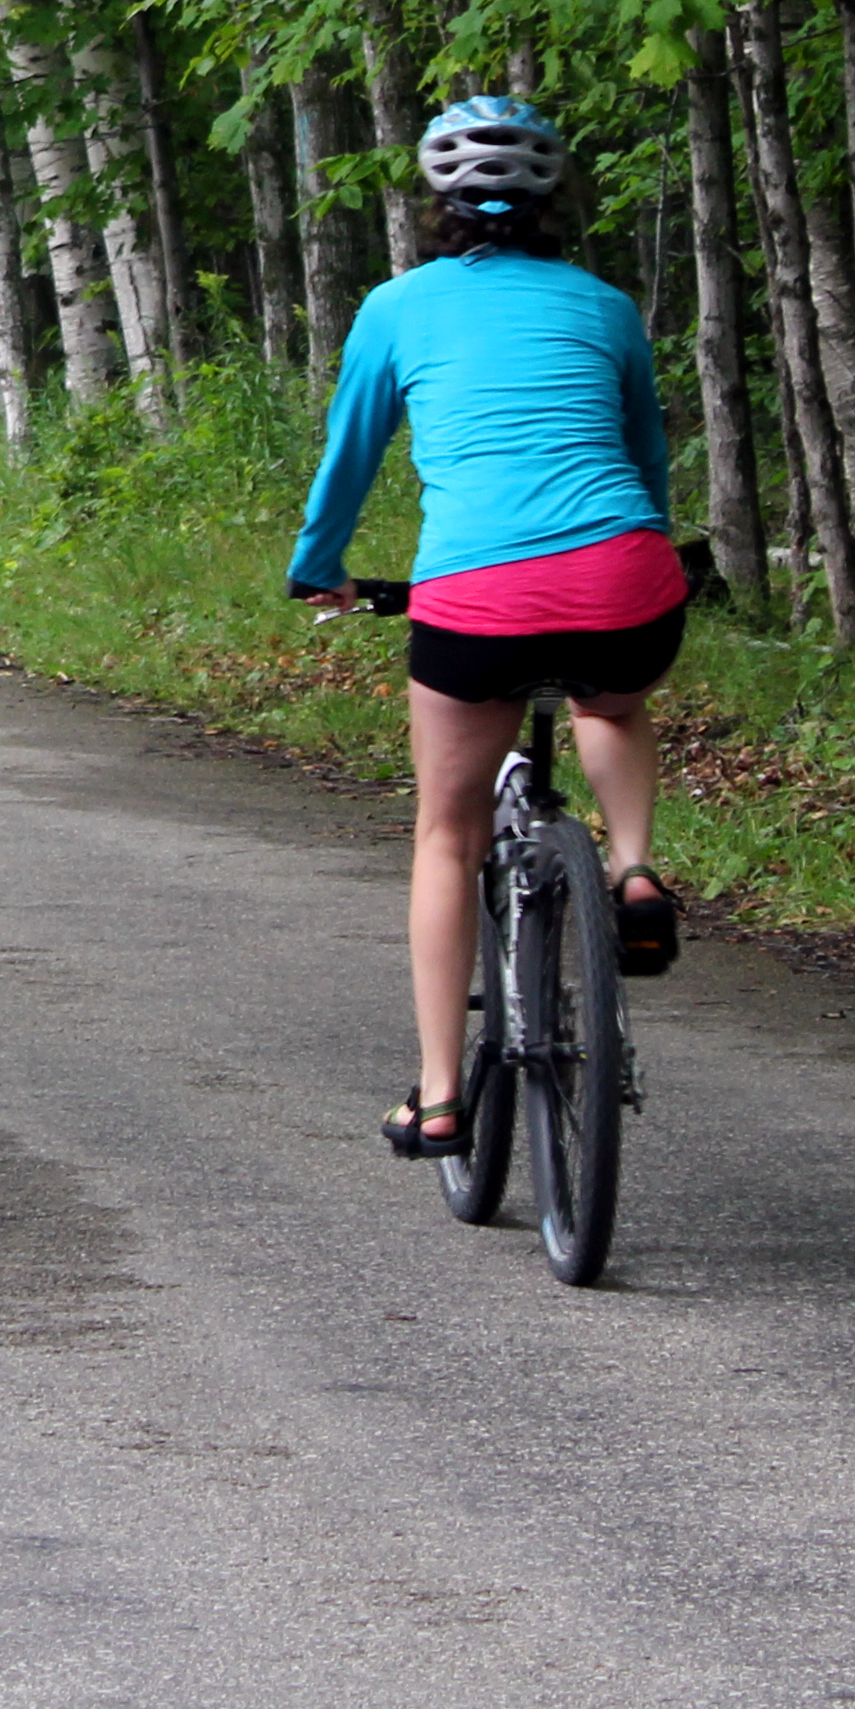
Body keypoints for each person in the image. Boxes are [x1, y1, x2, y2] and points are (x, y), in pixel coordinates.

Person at [283, 95, 685, 1159]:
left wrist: (317, 570)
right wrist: (644, 547)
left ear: (439, 202)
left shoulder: (398, 305)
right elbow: (646, 457)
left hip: (477, 594)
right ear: (556, 203)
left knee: (448, 835)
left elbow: (351, 454)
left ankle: (440, 1095)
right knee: (612, 701)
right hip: (627, 576)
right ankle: (634, 867)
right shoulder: (605, 306)